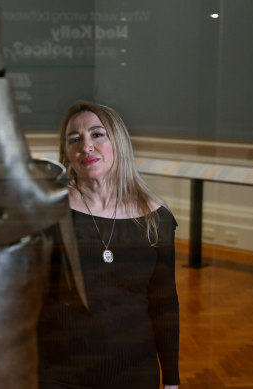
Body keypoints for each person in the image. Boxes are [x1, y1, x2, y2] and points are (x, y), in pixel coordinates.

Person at [37, 101, 180, 389]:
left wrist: (172, 379)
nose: (86, 146)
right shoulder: (48, 211)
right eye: (74, 139)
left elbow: (164, 303)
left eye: (97, 134)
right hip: (60, 373)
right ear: (66, 152)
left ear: (119, 142)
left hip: (134, 372)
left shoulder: (156, 219)